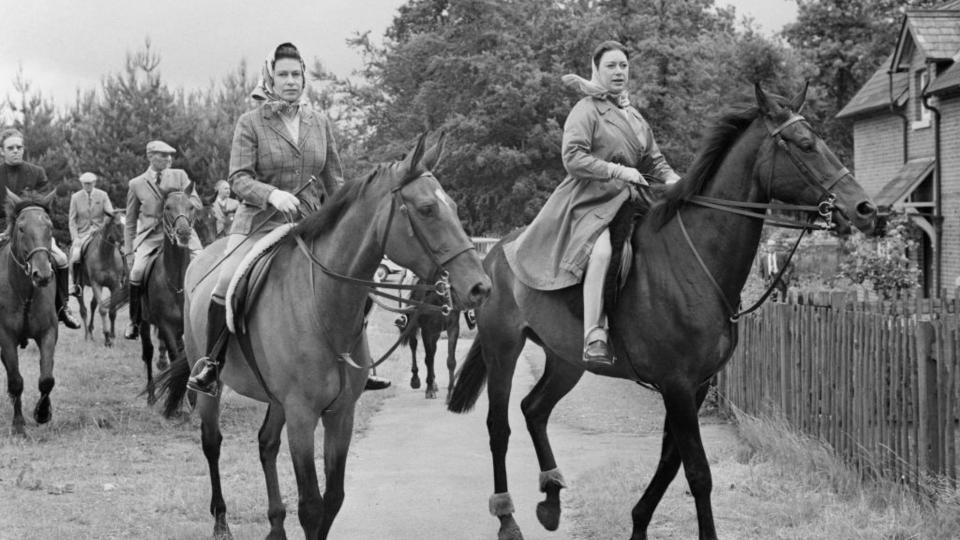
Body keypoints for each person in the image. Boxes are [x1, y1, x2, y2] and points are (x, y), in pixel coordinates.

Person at [187, 42, 390, 396]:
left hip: (311, 224)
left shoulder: (319, 122)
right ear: (271, 78)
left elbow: (335, 182)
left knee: (359, 282)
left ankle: (355, 363)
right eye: (283, 75)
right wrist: (271, 194)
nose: (291, 81)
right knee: (226, 282)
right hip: (258, 222)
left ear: (304, 77)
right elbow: (237, 178)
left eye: (296, 74)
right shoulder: (250, 122)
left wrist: (351, 220)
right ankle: (212, 362)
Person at [503, 40, 680, 368]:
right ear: (596, 70)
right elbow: (572, 158)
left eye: (623, 66)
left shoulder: (636, 118)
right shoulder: (586, 109)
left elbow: (655, 160)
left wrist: (674, 181)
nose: (619, 72)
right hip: (590, 199)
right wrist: (615, 168)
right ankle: (593, 334)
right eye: (611, 66)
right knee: (601, 253)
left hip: (632, 197)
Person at [0, 128, 82, 329]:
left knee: (62, 259)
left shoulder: (37, 172)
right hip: (3, 232)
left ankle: (63, 307)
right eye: (10, 148)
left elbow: (45, 208)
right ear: (2, 151)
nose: (15, 151)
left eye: (19, 147)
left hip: (33, 233)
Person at [123, 140, 203, 339]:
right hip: (151, 237)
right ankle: (134, 321)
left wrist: (181, 201)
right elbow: (130, 221)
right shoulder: (136, 184)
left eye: (170, 155)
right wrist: (129, 250)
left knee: (203, 262)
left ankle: (205, 312)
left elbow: (196, 203)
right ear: (150, 156)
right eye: (163, 155)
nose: (169, 159)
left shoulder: (180, 175)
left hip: (181, 231)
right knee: (137, 272)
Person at [68, 172, 115, 294]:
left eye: (89, 184)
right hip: (82, 234)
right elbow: (72, 220)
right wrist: (75, 237)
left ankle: (122, 278)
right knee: (75, 256)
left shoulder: (103, 195)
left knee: (119, 250)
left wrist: (103, 226)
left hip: (100, 232)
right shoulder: (75, 197)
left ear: (94, 183)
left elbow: (110, 213)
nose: (87, 186)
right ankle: (76, 284)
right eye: (84, 184)